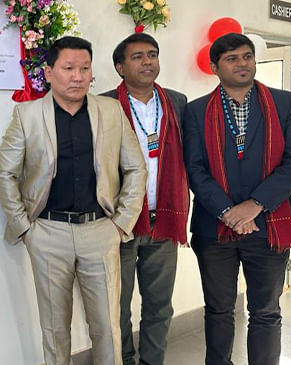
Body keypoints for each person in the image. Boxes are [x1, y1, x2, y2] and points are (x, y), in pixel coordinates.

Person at [0, 36, 146, 365]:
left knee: (107, 325)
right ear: (49, 72)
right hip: (48, 233)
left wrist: (122, 222)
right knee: (55, 328)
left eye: (84, 68)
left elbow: (136, 168)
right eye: (68, 68)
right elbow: (5, 173)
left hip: (100, 230)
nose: (78, 77)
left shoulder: (111, 110)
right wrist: (25, 229)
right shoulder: (27, 115)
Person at [183, 33, 291, 365]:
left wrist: (254, 205)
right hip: (214, 227)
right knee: (218, 310)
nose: (242, 63)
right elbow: (194, 169)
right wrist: (228, 211)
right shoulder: (196, 111)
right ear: (214, 67)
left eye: (247, 56)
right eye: (232, 58)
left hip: (270, 225)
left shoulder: (284, 103)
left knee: (266, 310)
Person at [102, 33, 189, 365]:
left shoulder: (177, 102)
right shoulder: (103, 105)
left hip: (163, 219)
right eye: (137, 56)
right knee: (116, 307)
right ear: (120, 67)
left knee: (159, 305)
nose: (147, 61)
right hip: (119, 223)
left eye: (152, 54)